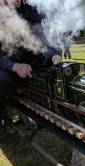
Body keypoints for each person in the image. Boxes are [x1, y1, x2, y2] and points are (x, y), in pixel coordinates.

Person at [0, 0, 62, 129]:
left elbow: (45, 38)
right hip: (8, 66)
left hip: (34, 62)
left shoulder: (33, 10)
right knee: (2, 80)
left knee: (58, 72)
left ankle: (49, 115)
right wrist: (15, 66)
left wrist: (54, 54)